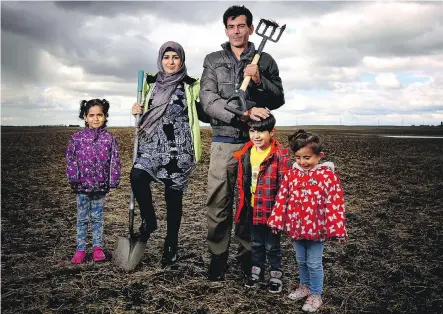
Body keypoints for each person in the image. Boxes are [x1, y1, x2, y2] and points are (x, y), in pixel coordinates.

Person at [200, 5, 285, 281]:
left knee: (252, 200)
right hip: (224, 141)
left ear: (250, 28)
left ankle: (249, 256)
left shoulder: (265, 59)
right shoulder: (213, 60)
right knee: (219, 200)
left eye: (241, 26)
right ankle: (218, 256)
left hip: (256, 143)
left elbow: (278, 99)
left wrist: (259, 80)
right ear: (226, 29)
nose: (237, 31)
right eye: (231, 26)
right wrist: (243, 113)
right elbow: (208, 101)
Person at [131, 41, 208, 266]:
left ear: (182, 60)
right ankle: (150, 220)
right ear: (160, 60)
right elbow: (144, 107)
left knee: (173, 198)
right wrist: (135, 109)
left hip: (179, 148)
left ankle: (171, 244)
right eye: (167, 57)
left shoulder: (191, 84)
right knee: (137, 176)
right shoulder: (150, 82)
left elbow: (202, 112)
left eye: (175, 57)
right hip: (151, 144)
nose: (171, 62)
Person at [267, 130, 348, 312]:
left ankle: (316, 294)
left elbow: (335, 204)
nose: (302, 162)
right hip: (296, 227)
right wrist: (276, 221)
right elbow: (282, 198)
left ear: (320, 156)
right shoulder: (292, 175)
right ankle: (304, 287)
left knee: (313, 262)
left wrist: (338, 229)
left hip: (317, 230)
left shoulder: (327, 176)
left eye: (307, 158)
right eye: (298, 158)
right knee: (301, 260)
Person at [233, 114, 291, 293]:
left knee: (272, 246)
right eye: (252, 131)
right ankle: (256, 272)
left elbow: (284, 185)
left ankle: (275, 275)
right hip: (252, 208)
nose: (256, 136)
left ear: (271, 132)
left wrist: (280, 211)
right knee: (256, 243)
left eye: (261, 131)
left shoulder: (280, 154)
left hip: (271, 209)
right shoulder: (247, 152)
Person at [66, 99, 121, 264]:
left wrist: (113, 180)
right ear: (85, 116)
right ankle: (80, 249)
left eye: (99, 115)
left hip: (100, 186)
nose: (95, 119)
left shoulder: (109, 139)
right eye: (91, 115)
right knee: (82, 218)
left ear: (105, 116)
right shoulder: (76, 138)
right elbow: (71, 159)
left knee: (97, 218)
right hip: (82, 186)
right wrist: (74, 178)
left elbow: (115, 161)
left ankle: (97, 248)